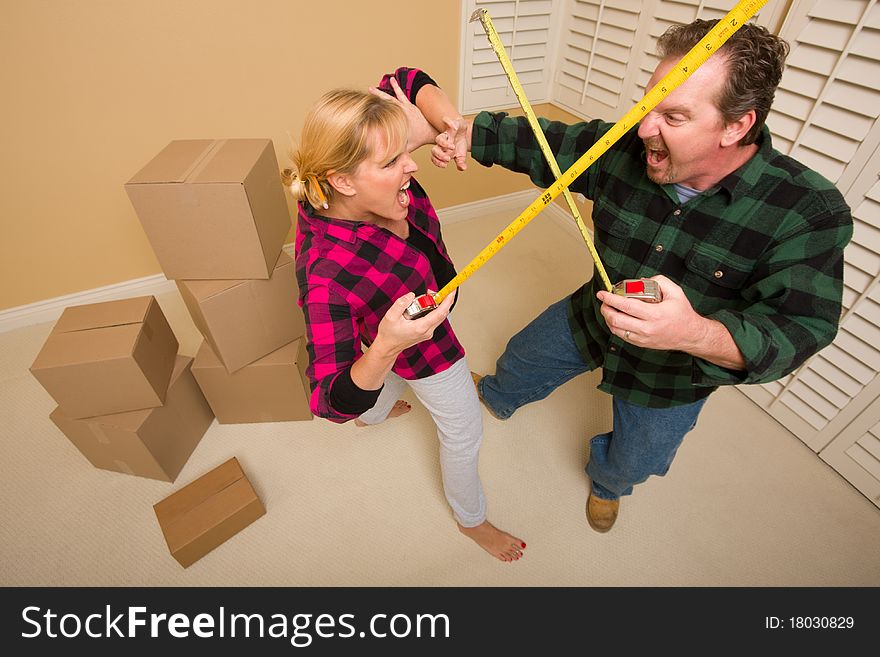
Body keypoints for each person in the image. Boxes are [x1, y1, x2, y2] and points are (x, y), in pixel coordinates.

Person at [431, 19, 853, 532]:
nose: (644, 128)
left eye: (673, 116)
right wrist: (464, 132)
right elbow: (545, 142)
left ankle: (608, 485)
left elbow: (799, 329)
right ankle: (499, 396)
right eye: (646, 104)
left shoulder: (807, 210)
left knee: (638, 458)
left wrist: (692, 332)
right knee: (522, 356)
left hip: (673, 377)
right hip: (594, 314)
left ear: (737, 125)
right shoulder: (630, 147)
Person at [283, 68, 526, 561]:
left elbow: (405, 78)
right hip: (421, 346)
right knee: (463, 431)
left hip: (409, 314)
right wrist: (389, 345)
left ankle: (374, 414)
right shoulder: (326, 275)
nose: (412, 166)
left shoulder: (358, 173)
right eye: (393, 161)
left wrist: (450, 122)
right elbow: (329, 401)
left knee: (376, 393)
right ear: (342, 181)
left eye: (405, 151)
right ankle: (471, 520)